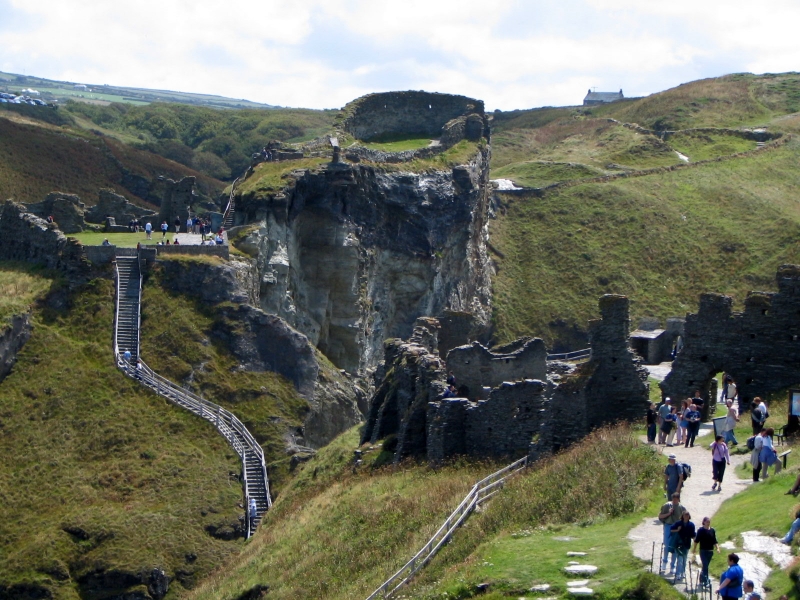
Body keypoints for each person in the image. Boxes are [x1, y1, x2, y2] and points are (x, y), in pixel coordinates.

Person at [658, 492, 686, 574]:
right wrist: (669, 513)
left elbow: (685, 519)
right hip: (668, 526)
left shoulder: (681, 508)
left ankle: (672, 566)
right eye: (673, 499)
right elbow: (660, 516)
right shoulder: (667, 505)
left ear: (678, 499)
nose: (674, 501)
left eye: (676, 499)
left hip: (677, 528)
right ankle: (664, 562)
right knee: (667, 545)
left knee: (674, 547)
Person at [692, 516, 720, 586]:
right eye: (707, 522)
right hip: (703, 551)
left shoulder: (712, 530)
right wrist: (694, 549)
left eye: (709, 522)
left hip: (710, 551)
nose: (708, 523)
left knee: (705, 566)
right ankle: (706, 581)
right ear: (704, 522)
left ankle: (701, 580)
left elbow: (714, 540)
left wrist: (717, 548)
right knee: (705, 565)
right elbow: (696, 540)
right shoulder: (701, 530)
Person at [670, 511, 695, 581]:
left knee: (684, 559)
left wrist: (695, 539)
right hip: (679, 543)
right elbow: (671, 529)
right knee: (680, 559)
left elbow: (693, 534)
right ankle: (678, 574)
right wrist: (677, 530)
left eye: (687, 515)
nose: (686, 516)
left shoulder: (691, 525)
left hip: (687, 544)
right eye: (685, 515)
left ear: (689, 516)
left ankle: (683, 573)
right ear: (682, 516)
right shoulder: (678, 523)